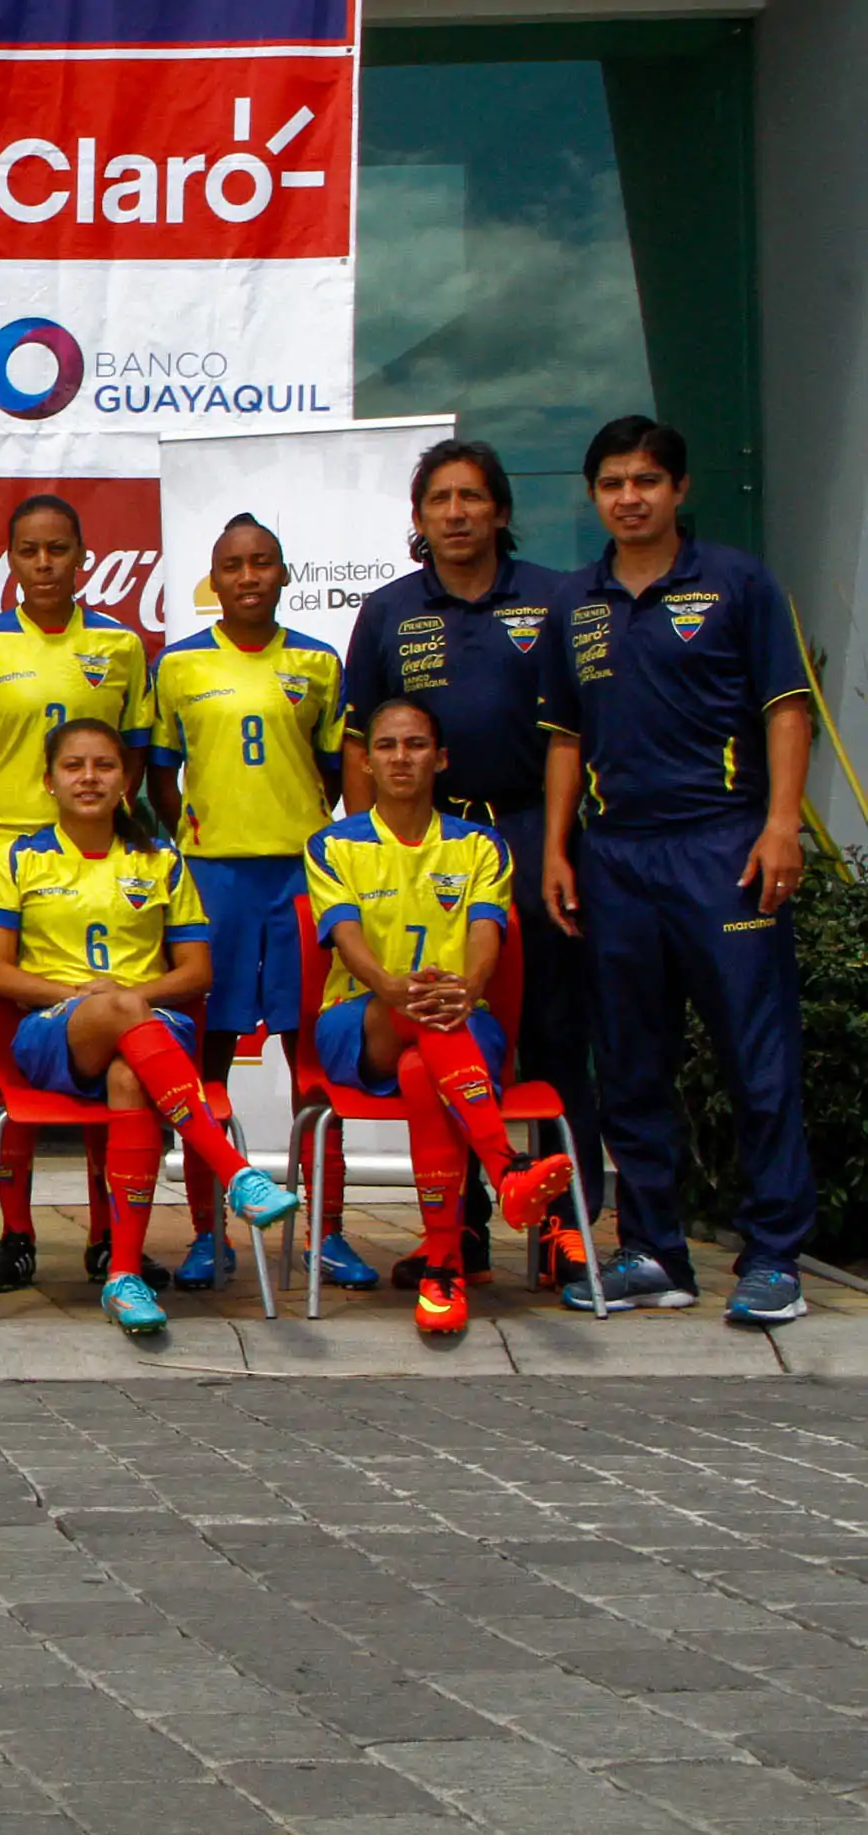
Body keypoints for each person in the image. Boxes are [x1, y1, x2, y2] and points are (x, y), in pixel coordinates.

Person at [540, 417, 818, 1326]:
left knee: (756, 1058)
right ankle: (653, 1250)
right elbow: (566, 736)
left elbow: (785, 709)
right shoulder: (576, 601)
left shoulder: (739, 582)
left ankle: (774, 1254)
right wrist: (554, 848)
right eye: (613, 483)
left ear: (679, 489)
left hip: (720, 845)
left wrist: (780, 824)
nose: (630, 497)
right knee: (628, 1062)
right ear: (593, 497)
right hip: (613, 857)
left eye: (646, 480)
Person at [344, 439, 593, 1292]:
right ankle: (467, 1233)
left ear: (499, 510)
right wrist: (362, 848)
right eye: (438, 500)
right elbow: (356, 744)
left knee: (553, 1035)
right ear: (417, 519)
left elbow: (571, 733)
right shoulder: (386, 611)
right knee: (436, 1013)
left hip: (529, 837)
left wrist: (557, 846)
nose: (455, 513)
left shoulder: (556, 598)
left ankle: (563, 1231)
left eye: (471, 497)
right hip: (422, 849)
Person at [0, 719, 300, 1335]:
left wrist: (127, 998)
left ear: (127, 780)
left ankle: (122, 1277)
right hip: (52, 1033)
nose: (89, 778)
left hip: (151, 1030)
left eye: (104, 765)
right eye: (74, 766)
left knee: (129, 1075)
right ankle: (231, 1169)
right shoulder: (18, 858)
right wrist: (79, 996)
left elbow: (198, 972)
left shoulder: (159, 860)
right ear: (49, 780)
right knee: (120, 1015)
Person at [0, 494, 157, 1291]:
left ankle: (108, 1232)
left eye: (57, 550)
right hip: (8, 860)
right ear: (10, 559)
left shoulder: (121, 646)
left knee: (112, 1035)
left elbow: (132, 756)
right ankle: (16, 1228)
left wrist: (93, 822)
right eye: (27, 551)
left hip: (103, 861)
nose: (42, 565)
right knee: (13, 1052)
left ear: (81, 557)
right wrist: (8, 829)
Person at [306, 699, 576, 1336]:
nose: (402, 758)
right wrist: (393, 989)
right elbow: (347, 942)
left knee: (424, 1066)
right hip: (359, 1018)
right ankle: (506, 1167)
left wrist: (468, 985)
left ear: (441, 758)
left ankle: (443, 1270)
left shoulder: (481, 845)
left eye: (417, 745)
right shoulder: (332, 845)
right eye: (388, 746)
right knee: (421, 1029)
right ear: (367, 762)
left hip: (459, 1016)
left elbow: (489, 935)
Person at [146, 515, 343, 1293]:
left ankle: (325, 1234)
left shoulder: (319, 662)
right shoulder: (178, 667)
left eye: (263, 562)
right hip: (213, 880)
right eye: (233, 565)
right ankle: (207, 1233)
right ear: (213, 580)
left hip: (297, 879)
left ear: (284, 574)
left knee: (312, 1059)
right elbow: (161, 773)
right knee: (206, 1062)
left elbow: (336, 771)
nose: (249, 576)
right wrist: (191, 835)